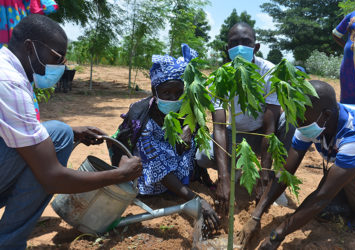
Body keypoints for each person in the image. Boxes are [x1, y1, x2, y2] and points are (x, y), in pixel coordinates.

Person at [0, 14, 142, 250]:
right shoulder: (9, 83)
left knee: (60, 132)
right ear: (29, 47)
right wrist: (120, 175)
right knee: (57, 137)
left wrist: (71, 131)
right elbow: (52, 178)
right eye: (56, 57)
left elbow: (17, 131)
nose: (61, 67)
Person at [238, 80, 355, 249]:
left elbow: (322, 196)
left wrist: (277, 235)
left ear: (327, 115)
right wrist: (256, 216)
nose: (297, 122)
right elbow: (285, 172)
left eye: (301, 117)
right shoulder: (312, 120)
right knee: (329, 208)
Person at [109, 44, 220, 233]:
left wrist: (188, 127)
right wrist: (196, 199)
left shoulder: (186, 108)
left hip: (175, 164)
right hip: (151, 173)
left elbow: (196, 122)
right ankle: (175, 189)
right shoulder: (142, 118)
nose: (173, 98)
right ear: (154, 91)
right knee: (161, 162)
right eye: (166, 93)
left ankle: (183, 182)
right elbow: (159, 168)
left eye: (178, 92)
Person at [195, 22, 293, 214]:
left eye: (246, 42)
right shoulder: (219, 78)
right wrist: (223, 178)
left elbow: (270, 126)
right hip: (235, 135)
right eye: (234, 42)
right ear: (227, 48)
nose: (240, 46)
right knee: (202, 156)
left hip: (262, 133)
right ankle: (237, 172)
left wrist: (264, 177)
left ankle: (273, 182)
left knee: (290, 123)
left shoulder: (269, 72)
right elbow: (220, 127)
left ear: (256, 47)